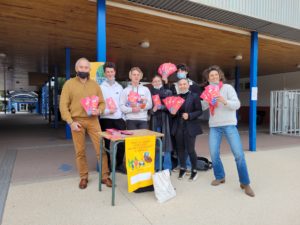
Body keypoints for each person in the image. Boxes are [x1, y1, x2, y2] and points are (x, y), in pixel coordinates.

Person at [202, 65, 255, 197]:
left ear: (220, 76)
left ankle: (245, 183)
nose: (213, 77)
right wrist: (207, 100)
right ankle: (220, 176)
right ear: (208, 79)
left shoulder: (228, 88)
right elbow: (202, 106)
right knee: (214, 154)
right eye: (211, 76)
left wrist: (225, 101)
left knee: (238, 154)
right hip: (214, 126)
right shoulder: (207, 90)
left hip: (229, 125)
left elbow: (237, 105)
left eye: (215, 74)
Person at [59, 57, 112, 189]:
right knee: (80, 151)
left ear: (89, 69)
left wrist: (99, 110)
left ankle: (105, 176)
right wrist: (70, 122)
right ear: (76, 69)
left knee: (101, 148)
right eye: (81, 67)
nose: (84, 69)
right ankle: (83, 177)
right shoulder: (69, 84)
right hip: (77, 121)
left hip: (93, 120)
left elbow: (102, 102)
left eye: (86, 67)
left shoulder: (94, 85)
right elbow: (63, 106)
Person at [171, 78, 203, 181]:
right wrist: (173, 113)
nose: (182, 86)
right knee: (180, 149)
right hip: (178, 126)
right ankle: (183, 168)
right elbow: (173, 113)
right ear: (178, 86)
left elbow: (199, 111)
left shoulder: (194, 96)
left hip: (190, 126)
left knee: (190, 150)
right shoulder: (175, 97)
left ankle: (194, 170)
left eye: (184, 84)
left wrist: (189, 115)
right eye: (180, 84)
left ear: (188, 85)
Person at [99, 62, 126, 174]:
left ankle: (119, 165)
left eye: (112, 71)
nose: (110, 74)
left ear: (115, 72)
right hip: (105, 119)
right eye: (108, 72)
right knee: (106, 144)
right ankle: (108, 166)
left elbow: (122, 103)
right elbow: (99, 104)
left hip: (118, 119)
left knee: (121, 143)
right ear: (105, 73)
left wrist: (122, 117)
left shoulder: (119, 87)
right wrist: (107, 111)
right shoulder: (100, 87)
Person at [149, 75, 173, 171]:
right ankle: (157, 167)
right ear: (152, 83)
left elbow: (172, 107)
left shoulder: (168, 92)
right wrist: (153, 110)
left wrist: (162, 107)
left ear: (162, 82)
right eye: (155, 81)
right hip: (154, 121)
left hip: (165, 121)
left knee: (167, 145)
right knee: (156, 145)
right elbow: (147, 109)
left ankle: (167, 167)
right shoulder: (149, 93)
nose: (157, 82)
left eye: (158, 81)